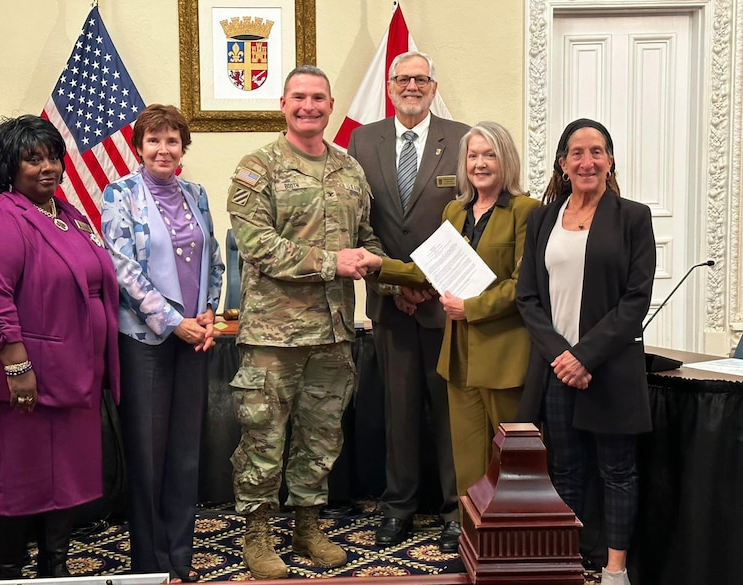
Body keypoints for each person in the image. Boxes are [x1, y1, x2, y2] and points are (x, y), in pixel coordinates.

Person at [226, 65, 384, 580]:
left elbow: (366, 236)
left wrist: (378, 264)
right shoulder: (258, 168)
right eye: (299, 97)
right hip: (274, 335)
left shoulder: (349, 170)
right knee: (263, 438)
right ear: (283, 104)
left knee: (321, 438)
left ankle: (307, 525)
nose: (309, 106)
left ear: (331, 104)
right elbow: (257, 247)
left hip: (335, 332)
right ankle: (257, 534)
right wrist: (331, 262)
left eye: (318, 98)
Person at [357, 121, 540, 522]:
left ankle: (512, 528)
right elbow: (429, 270)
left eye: (489, 154)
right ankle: (468, 523)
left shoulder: (527, 210)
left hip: (504, 354)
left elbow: (523, 286)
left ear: (505, 160)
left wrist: (471, 309)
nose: (480, 163)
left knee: (509, 451)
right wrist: (379, 265)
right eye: (473, 155)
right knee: (467, 450)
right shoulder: (454, 210)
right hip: (458, 354)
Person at [0, 115, 120, 579]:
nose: (47, 167)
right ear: (9, 166)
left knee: (66, 483)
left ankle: (56, 568)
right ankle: (9, 572)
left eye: (53, 157)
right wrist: (16, 368)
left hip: (74, 375)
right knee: (23, 483)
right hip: (26, 384)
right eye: (33, 159)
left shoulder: (66, 213)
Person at [515, 119, 656, 585]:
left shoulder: (633, 217)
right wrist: (561, 355)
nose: (587, 161)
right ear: (562, 163)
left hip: (609, 369)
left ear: (610, 160)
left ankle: (615, 571)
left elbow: (635, 300)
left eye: (596, 151)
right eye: (577, 153)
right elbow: (528, 297)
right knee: (566, 470)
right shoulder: (543, 218)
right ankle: (570, 561)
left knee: (617, 471)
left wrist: (585, 356)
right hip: (557, 369)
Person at [347, 50, 469, 552]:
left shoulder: (462, 138)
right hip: (389, 303)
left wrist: (433, 284)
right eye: (403, 78)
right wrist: (395, 286)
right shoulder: (363, 139)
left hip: (448, 300)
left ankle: (455, 511)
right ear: (390, 86)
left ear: (433, 87)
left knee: (449, 411)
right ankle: (397, 508)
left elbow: (470, 219)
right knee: (397, 411)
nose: (412, 86)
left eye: (421, 79)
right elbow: (361, 223)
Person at [100, 104, 224, 583]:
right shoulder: (120, 194)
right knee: (149, 456)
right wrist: (175, 322)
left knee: (185, 453)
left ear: (183, 148)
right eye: (154, 141)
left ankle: (180, 557)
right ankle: (150, 566)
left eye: (172, 141)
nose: (164, 149)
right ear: (139, 147)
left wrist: (209, 311)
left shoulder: (196, 193)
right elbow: (123, 269)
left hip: (195, 337)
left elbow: (214, 258)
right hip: (145, 340)